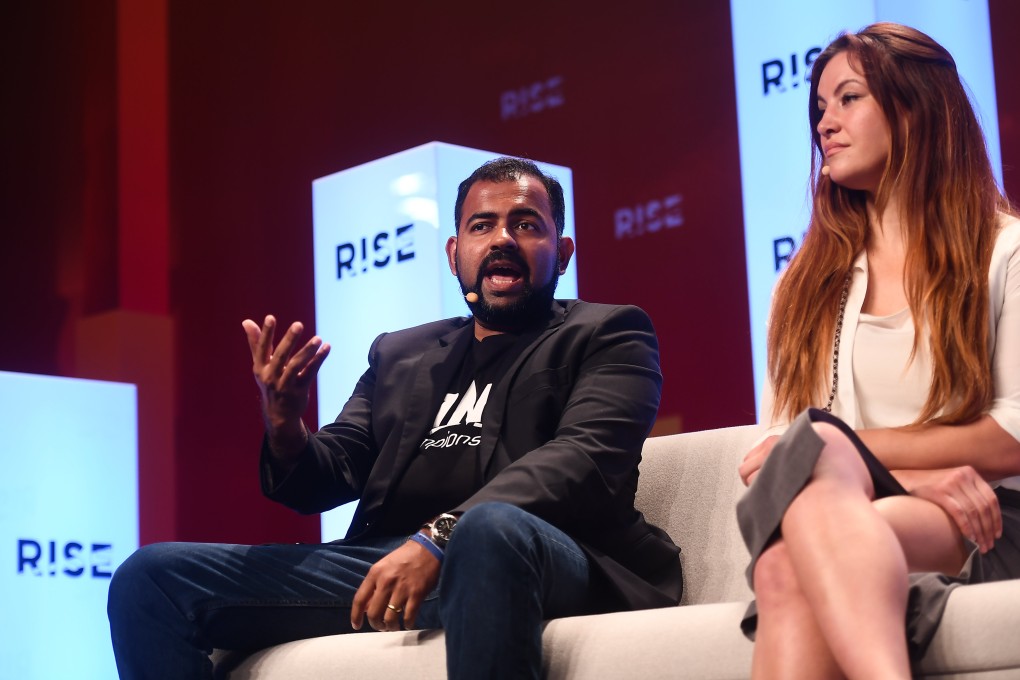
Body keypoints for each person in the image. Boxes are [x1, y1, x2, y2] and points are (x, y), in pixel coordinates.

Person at [107, 156, 682, 679]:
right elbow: (332, 471)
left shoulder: (607, 333)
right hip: (386, 562)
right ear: (455, 254)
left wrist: (439, 537)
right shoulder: (402, 353)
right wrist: (285, 426)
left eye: (527, 224)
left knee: (488, 530)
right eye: (482, 226)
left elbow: (581, 460)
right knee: (151, 578)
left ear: (562, 252)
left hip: (541, 556)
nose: (503, 238)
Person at [736, 22, 1020, 679]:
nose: (824, 124)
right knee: (785, 559)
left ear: (916, 107)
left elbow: (1011, 435)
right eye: (819, 108)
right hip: (864, 508)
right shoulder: (803, 284)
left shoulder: (1004, 250)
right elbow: (770, 458)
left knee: (807, 509)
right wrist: (911, 477)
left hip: (996, 518)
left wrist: (847, 449)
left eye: (849, 98)